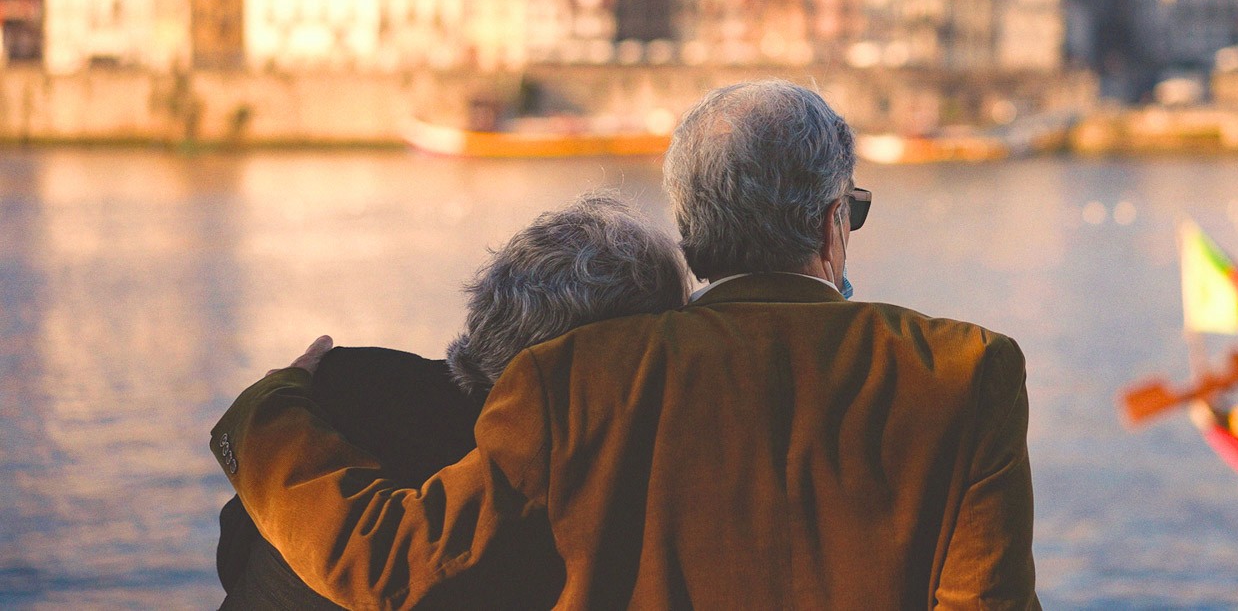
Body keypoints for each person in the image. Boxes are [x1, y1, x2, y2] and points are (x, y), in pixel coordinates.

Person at [211, 79, 1039, 609]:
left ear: (695, 237)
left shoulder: (577, 377)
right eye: (850, 211)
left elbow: (392, 560)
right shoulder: (966, 372)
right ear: (832, 223)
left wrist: (269, 409)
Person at [215, 191, 688, 609]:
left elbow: (234, 552)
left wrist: (274, 399)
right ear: (617, 357)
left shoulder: (350, 383)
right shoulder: (576, 469)